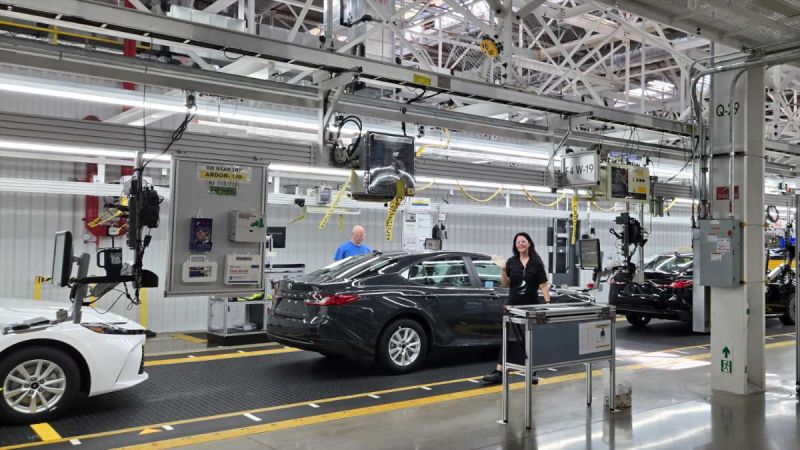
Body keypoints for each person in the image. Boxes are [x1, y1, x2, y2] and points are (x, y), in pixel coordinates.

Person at [482, 232, 551, 384]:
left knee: (530, 339)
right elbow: (506, 283)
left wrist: (547, 305)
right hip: (513, 306)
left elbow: (543, 285)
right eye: (517, 242)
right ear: (515, 245)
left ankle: (532, 371)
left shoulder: (536, 262)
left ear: (529, 244)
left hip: (531, 307)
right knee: (509, 339)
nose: (520, 244)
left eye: (523, 241)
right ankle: (499, 372)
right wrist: (502, 269)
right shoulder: (511, 262)